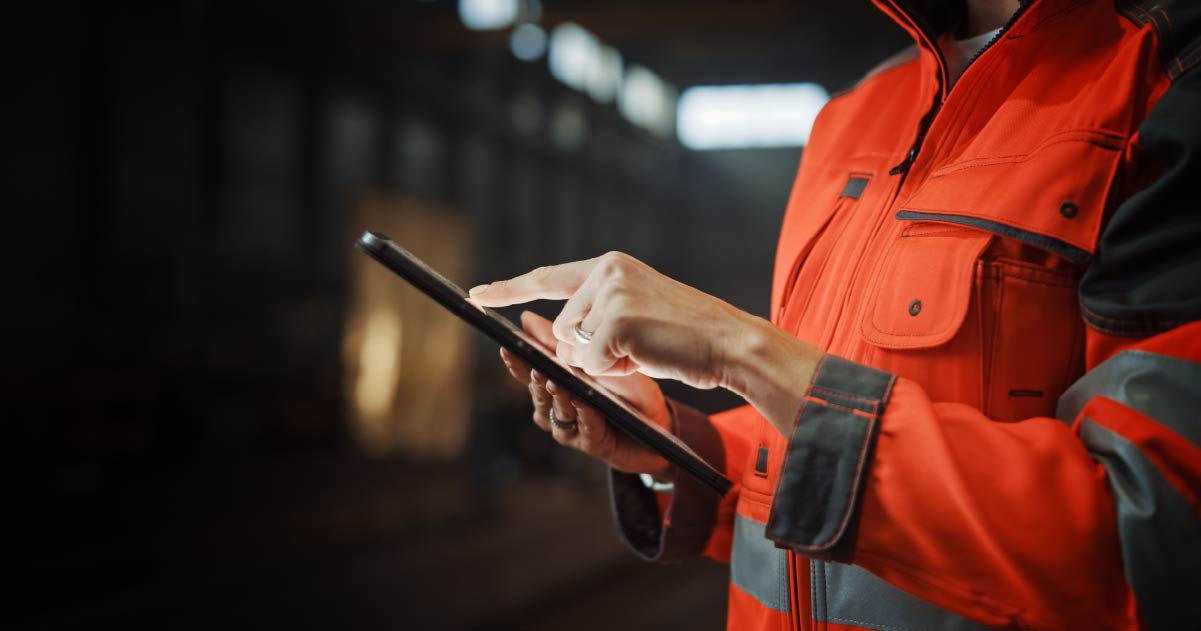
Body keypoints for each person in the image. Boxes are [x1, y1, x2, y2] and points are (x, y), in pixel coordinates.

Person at [470, 0, 1201, 628]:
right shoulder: (855, 116)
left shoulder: (1169, 83)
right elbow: (814, 432)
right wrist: (673, 444)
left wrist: (737, 347)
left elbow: (1157, 541)